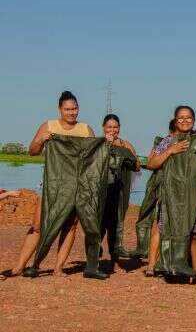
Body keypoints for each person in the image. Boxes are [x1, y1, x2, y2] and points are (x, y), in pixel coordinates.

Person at [11, 91, 94, 278]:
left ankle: (58, 268)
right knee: (38, 225)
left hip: (76, 186)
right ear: (60, 109)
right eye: (67, 109)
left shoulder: (86, 129)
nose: (72, 113)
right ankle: (19, 266)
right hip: (51, 183)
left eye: (74, 109)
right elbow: (32, 151)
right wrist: (42, 139)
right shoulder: (49, 126)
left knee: (70, 225)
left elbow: (93, 158)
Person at [146, 105, 196, 280]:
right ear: (175, 120)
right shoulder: (168, 141)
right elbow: (151, 164)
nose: (185, 121)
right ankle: (167, 266)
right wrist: (171, 151)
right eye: (181, 118)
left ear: (194, 120)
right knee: (169, 229)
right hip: (173, 195)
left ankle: (195, 272)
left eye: (188, 118)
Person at [100, 114, 140, 273]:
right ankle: (95, 256)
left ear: (119, 128)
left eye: (115, 127)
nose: (112, 130)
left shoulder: (126, 145)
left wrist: (129, 158)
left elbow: (137, 167)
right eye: (109, 127)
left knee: (116, 225)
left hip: (121, 192)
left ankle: (114, 260)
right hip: (101, 191)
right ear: (103, 127)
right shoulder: (98, 143)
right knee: (99, 224)